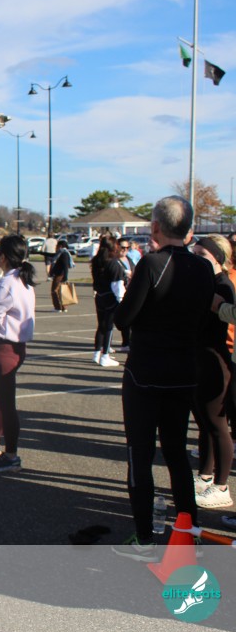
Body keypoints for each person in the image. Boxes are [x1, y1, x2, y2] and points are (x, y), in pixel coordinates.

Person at [112, 196, 215, 561]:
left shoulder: (153, 263)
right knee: (175, 454)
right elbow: (203, 319)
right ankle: (189, 533)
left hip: (145, 373)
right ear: (188, 229)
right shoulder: (203, 268)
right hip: (184, 371)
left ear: (155, 227)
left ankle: (144, 539)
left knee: (139, 455)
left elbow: (123, 318)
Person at [0, 234, 36, 472]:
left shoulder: (7, 282)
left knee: (5, 402)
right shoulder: (23, 279)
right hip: (17, 346)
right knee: (0, 397)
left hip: (4, 346)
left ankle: (11, 455)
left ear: (3, 256)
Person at [195, 236, 235, 509]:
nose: (196, 259)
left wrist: (217, 306)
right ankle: (205, 476)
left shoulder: (223, 285)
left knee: (217, 424)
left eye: (203, 255)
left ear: (218, 258)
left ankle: (221, 485)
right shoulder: (207, 282)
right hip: (200, 357)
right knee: (205, 423)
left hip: (215, 360)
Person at [90, 235, 126, 368]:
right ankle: (105, 355)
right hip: (111, 297)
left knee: (101, 325)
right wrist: (121, 299)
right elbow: (117, 285)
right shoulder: (113, 263)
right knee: (109, 327)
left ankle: (96, 353)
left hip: (99, 296)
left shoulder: (96, 261)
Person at [116, 238, 136, 353]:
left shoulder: (129, 259)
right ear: (117, 247)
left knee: (131, 318)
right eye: (123, 247)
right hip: (119, 293)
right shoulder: (114, 261)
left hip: (130, 291)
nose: (125, 250)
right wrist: (124, 275)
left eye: (127, 248)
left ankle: (128, 342)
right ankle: (125, 342)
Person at [48, 239, 73, 312]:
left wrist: (65, 277)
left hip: (60, 275)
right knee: (61, 291)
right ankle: (63, 307)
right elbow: (51, 255)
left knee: (54, 291)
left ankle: (58, 307)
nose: (55, 247)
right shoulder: (60, 253)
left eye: (57, 245)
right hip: (60, 274)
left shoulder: (64, 254)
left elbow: (65, 266)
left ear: (60, 246)